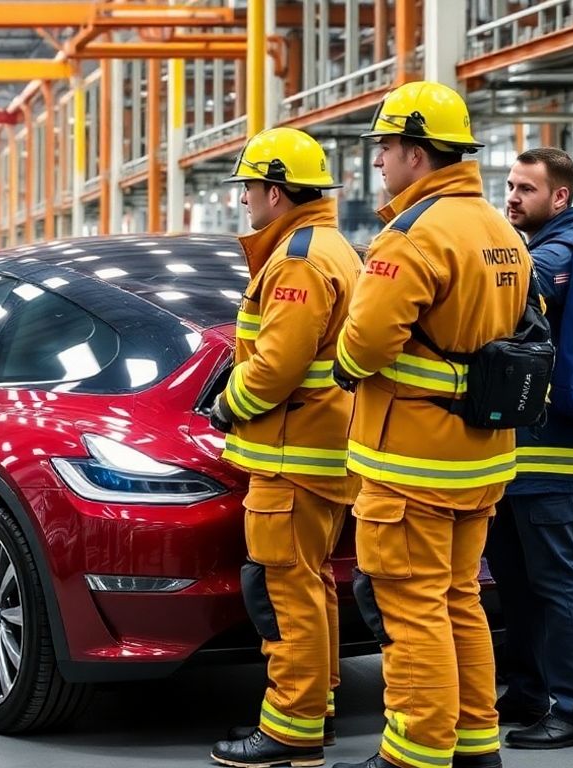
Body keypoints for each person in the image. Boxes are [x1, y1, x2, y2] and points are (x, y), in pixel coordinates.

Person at [329, 80, 531, 768]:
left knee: (412, 612)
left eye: (385, 148)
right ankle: (477, 746)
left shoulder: (410, 237)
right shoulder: (501, 232)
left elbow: (364, 345)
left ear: (417, 152)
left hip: (411, 462)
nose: (379, 162)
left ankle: (413, 753)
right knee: (458, 602)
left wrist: (345, 363)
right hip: (481, 459)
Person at [206, 128, 361, 768]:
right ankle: (316, 706)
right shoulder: (335, 246)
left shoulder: (296, 259)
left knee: (286, 592)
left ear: (274, 189)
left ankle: (290, 728)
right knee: (313, 583)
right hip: (323, 449)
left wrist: (226, 405)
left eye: (248, 188)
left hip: (291, 452)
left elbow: (274, 367)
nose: (244, 200)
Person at [485, 147, 573, 749]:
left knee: (559, 585)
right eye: (509, 185)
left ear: (559, 197)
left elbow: (499, 296)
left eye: (525, 189)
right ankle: (529, 692)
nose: (511, 196)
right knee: (520, 581)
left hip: (552, 457)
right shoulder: (547, 249)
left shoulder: (555, 257)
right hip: (530, 457)